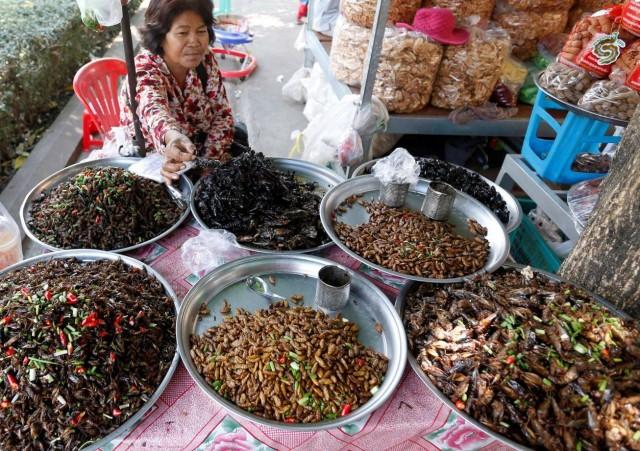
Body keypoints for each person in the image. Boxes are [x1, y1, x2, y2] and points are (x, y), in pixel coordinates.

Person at [119, 0, 235, 184]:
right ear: (160, 36)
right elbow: (153, 109)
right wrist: (172, 137)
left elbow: (222, 116)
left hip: (203, 159)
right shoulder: (144, 70)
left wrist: (206, 170)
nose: (195, 41)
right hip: (158, 167)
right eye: (182, 32)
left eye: (201, 30)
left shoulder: (205, 62)